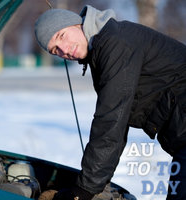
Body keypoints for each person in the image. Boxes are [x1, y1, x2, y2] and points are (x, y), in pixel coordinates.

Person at [34, 5, 186, 200]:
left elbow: (110, 120)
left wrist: (82, 191)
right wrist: (96, 184)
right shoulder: (104, 47)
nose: (63, 50)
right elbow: (118, 124)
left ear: (77, 24)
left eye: (61, 36)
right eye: (55, 50)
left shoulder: (115, 42)